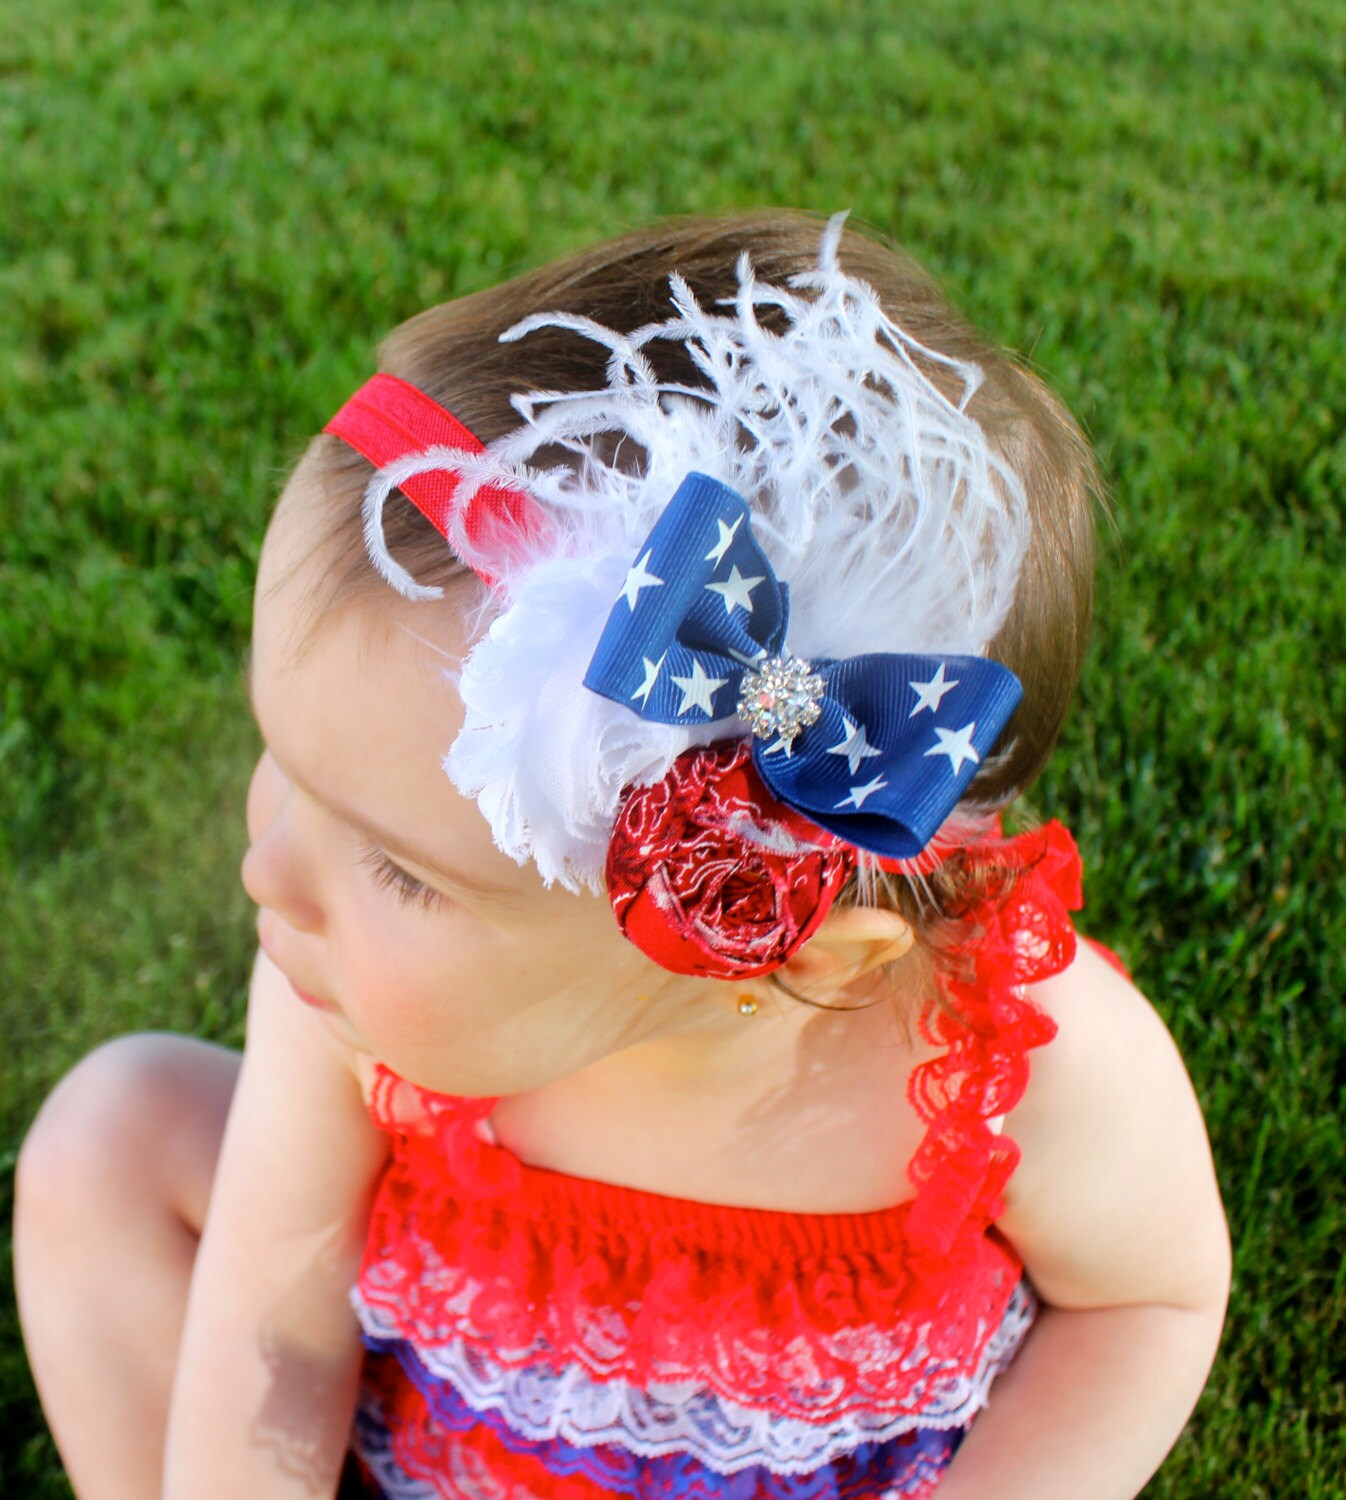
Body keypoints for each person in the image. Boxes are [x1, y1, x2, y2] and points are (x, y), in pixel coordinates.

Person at [14, 210, 1231, 1500]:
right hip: (433, 1449)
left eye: (399, 868)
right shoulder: (344, 1007)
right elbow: (277, 1323)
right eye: (290, 771)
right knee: (113, 1132)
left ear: (762, 928)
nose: (267, 874)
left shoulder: (1010, 1065)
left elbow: (1147, 1301)